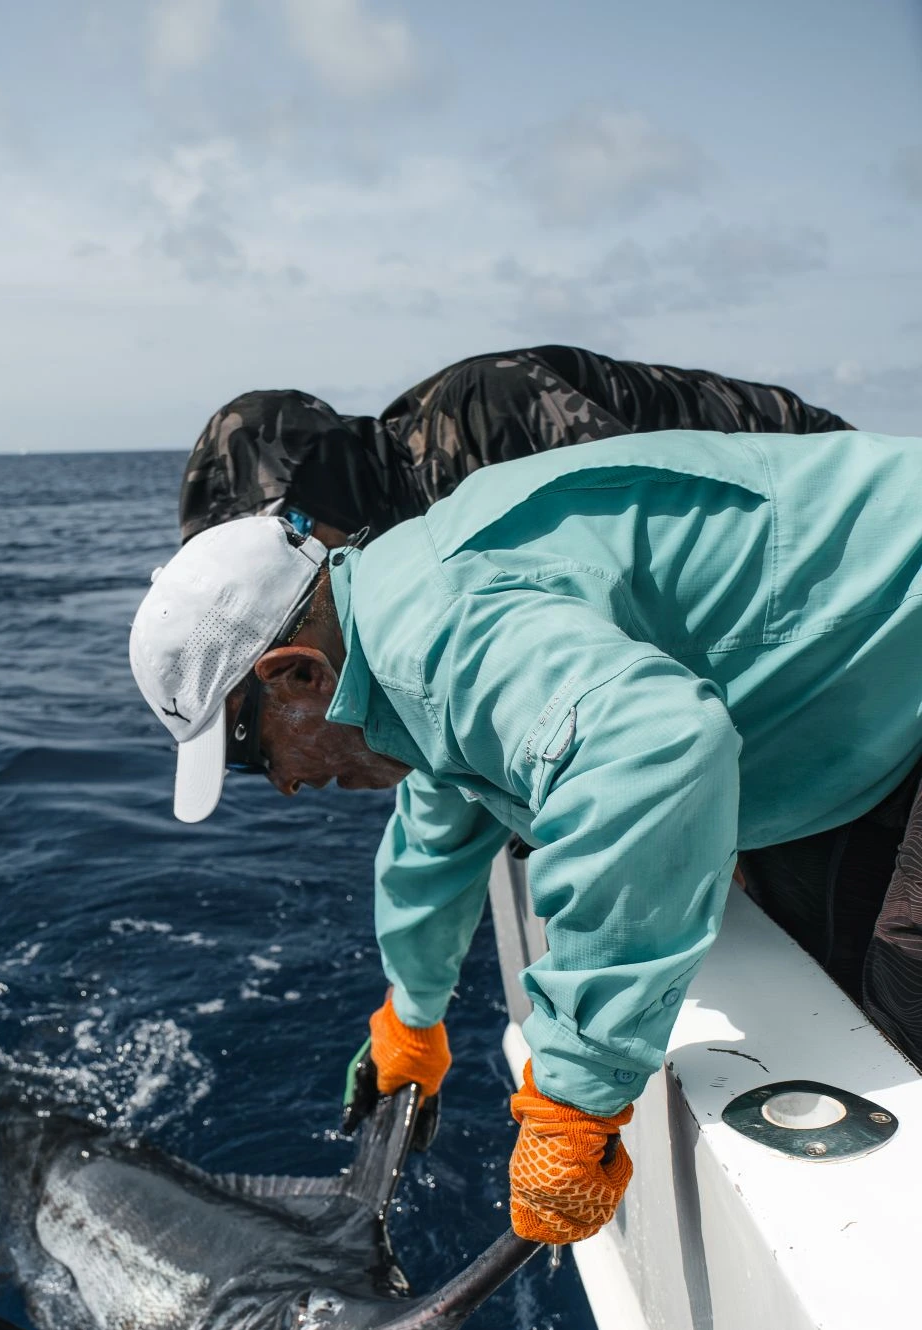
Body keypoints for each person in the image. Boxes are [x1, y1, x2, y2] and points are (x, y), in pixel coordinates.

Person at [130, 429, 922, 1246]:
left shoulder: (433, 636)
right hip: (884, 681)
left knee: (905, 999)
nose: (289, 785)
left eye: (256, 755)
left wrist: (576, 1099)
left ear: (294, 673)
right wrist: (413, 1014)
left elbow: (657, 749)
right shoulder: (396, 609)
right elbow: (437, 829)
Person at [178, 346, 850, 547]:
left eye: (288, 533)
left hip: (819, 478)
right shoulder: (405, 524)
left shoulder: (478, 409)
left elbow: (663, 525)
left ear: (319, 484)